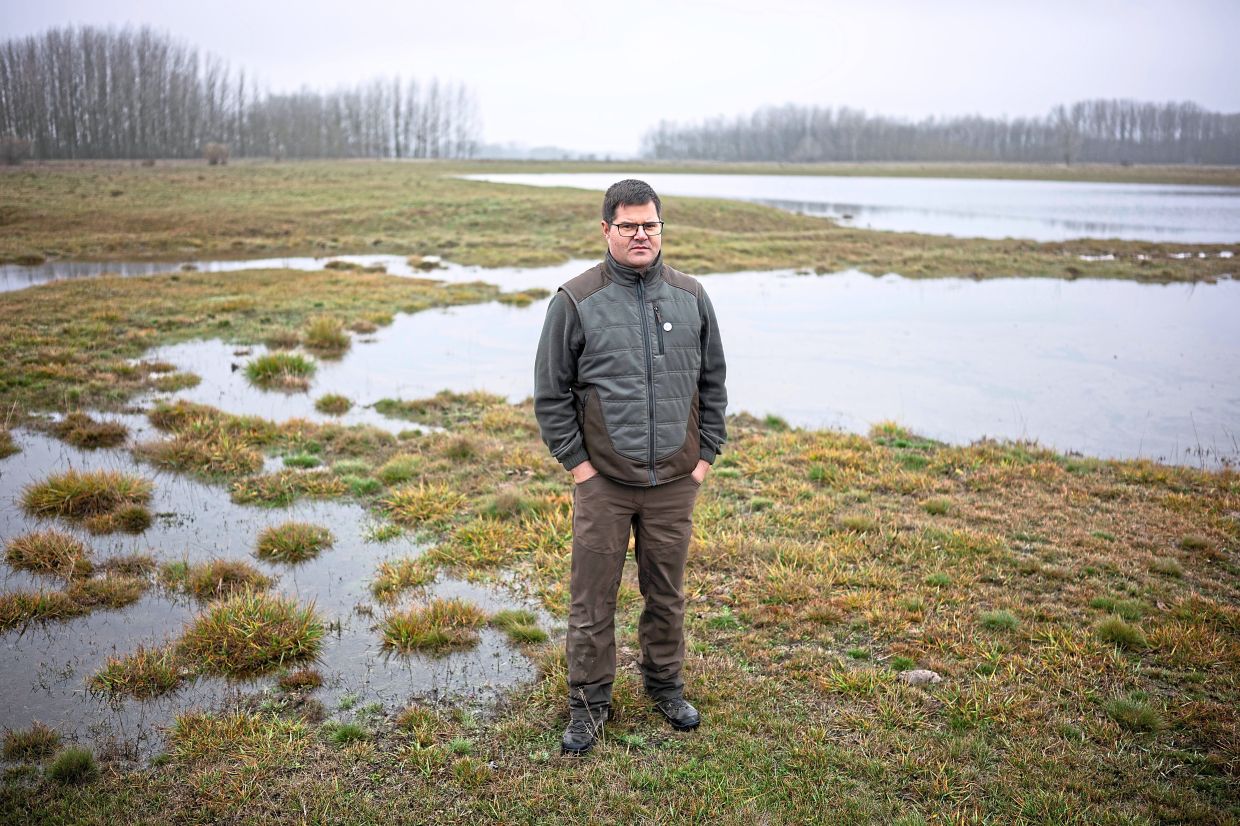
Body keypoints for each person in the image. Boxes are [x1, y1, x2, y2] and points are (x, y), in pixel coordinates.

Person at [534, 179, 728, 755]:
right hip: (604, 484)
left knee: (666, 594)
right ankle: (590, 703)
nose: (641, 235)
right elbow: (551, 393)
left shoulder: (691, 296)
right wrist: (579, 466)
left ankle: (665, 685)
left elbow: (712, 383)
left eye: (650, 225)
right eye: (629, 226)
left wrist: (705, 457)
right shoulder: (575, 300)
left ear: (661, 228)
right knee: (592, 599)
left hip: (675, 481)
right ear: (606, 231)